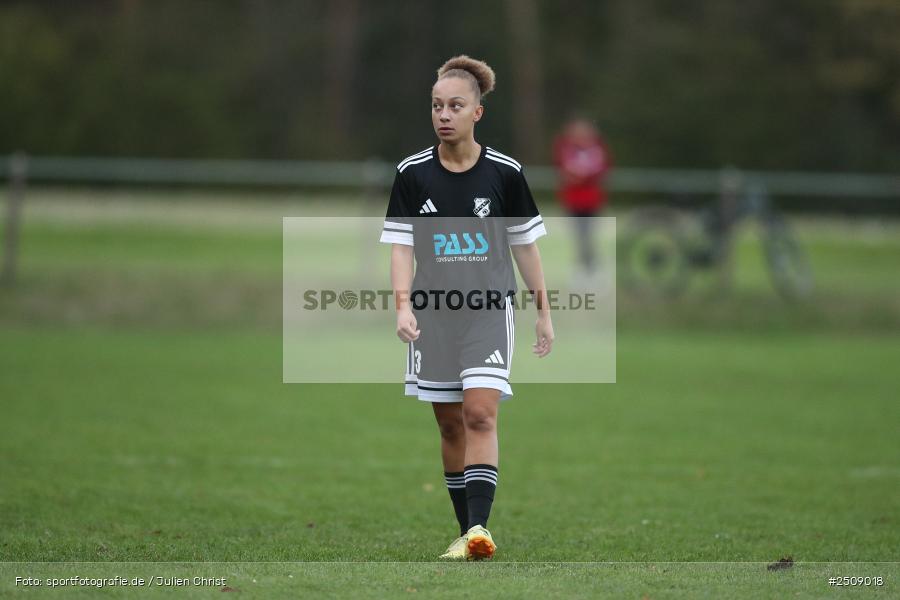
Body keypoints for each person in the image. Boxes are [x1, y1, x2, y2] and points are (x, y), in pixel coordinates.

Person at [379, 55, 553, 560]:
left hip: (488, 312)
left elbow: (524, 246)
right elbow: (401, 247)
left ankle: (480, 528)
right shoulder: (412, 174)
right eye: (437, 106)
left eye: (455, 105)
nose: (444, 114)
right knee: (450, 424)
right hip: (432, 316)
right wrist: (402, 307)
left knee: (479, 414)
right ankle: (465, 535)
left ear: (478, 112)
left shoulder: (505, 173)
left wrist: (543, 310)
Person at [552, 117, 612, 283]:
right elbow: (563, 170)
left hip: (592, 201)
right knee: (579, 237)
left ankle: (593, 268)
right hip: (572, 201)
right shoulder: (565, 147)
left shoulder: (597, 148)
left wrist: (582, 176)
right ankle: (582, 270)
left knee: (589, 236)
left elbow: (602, 170)